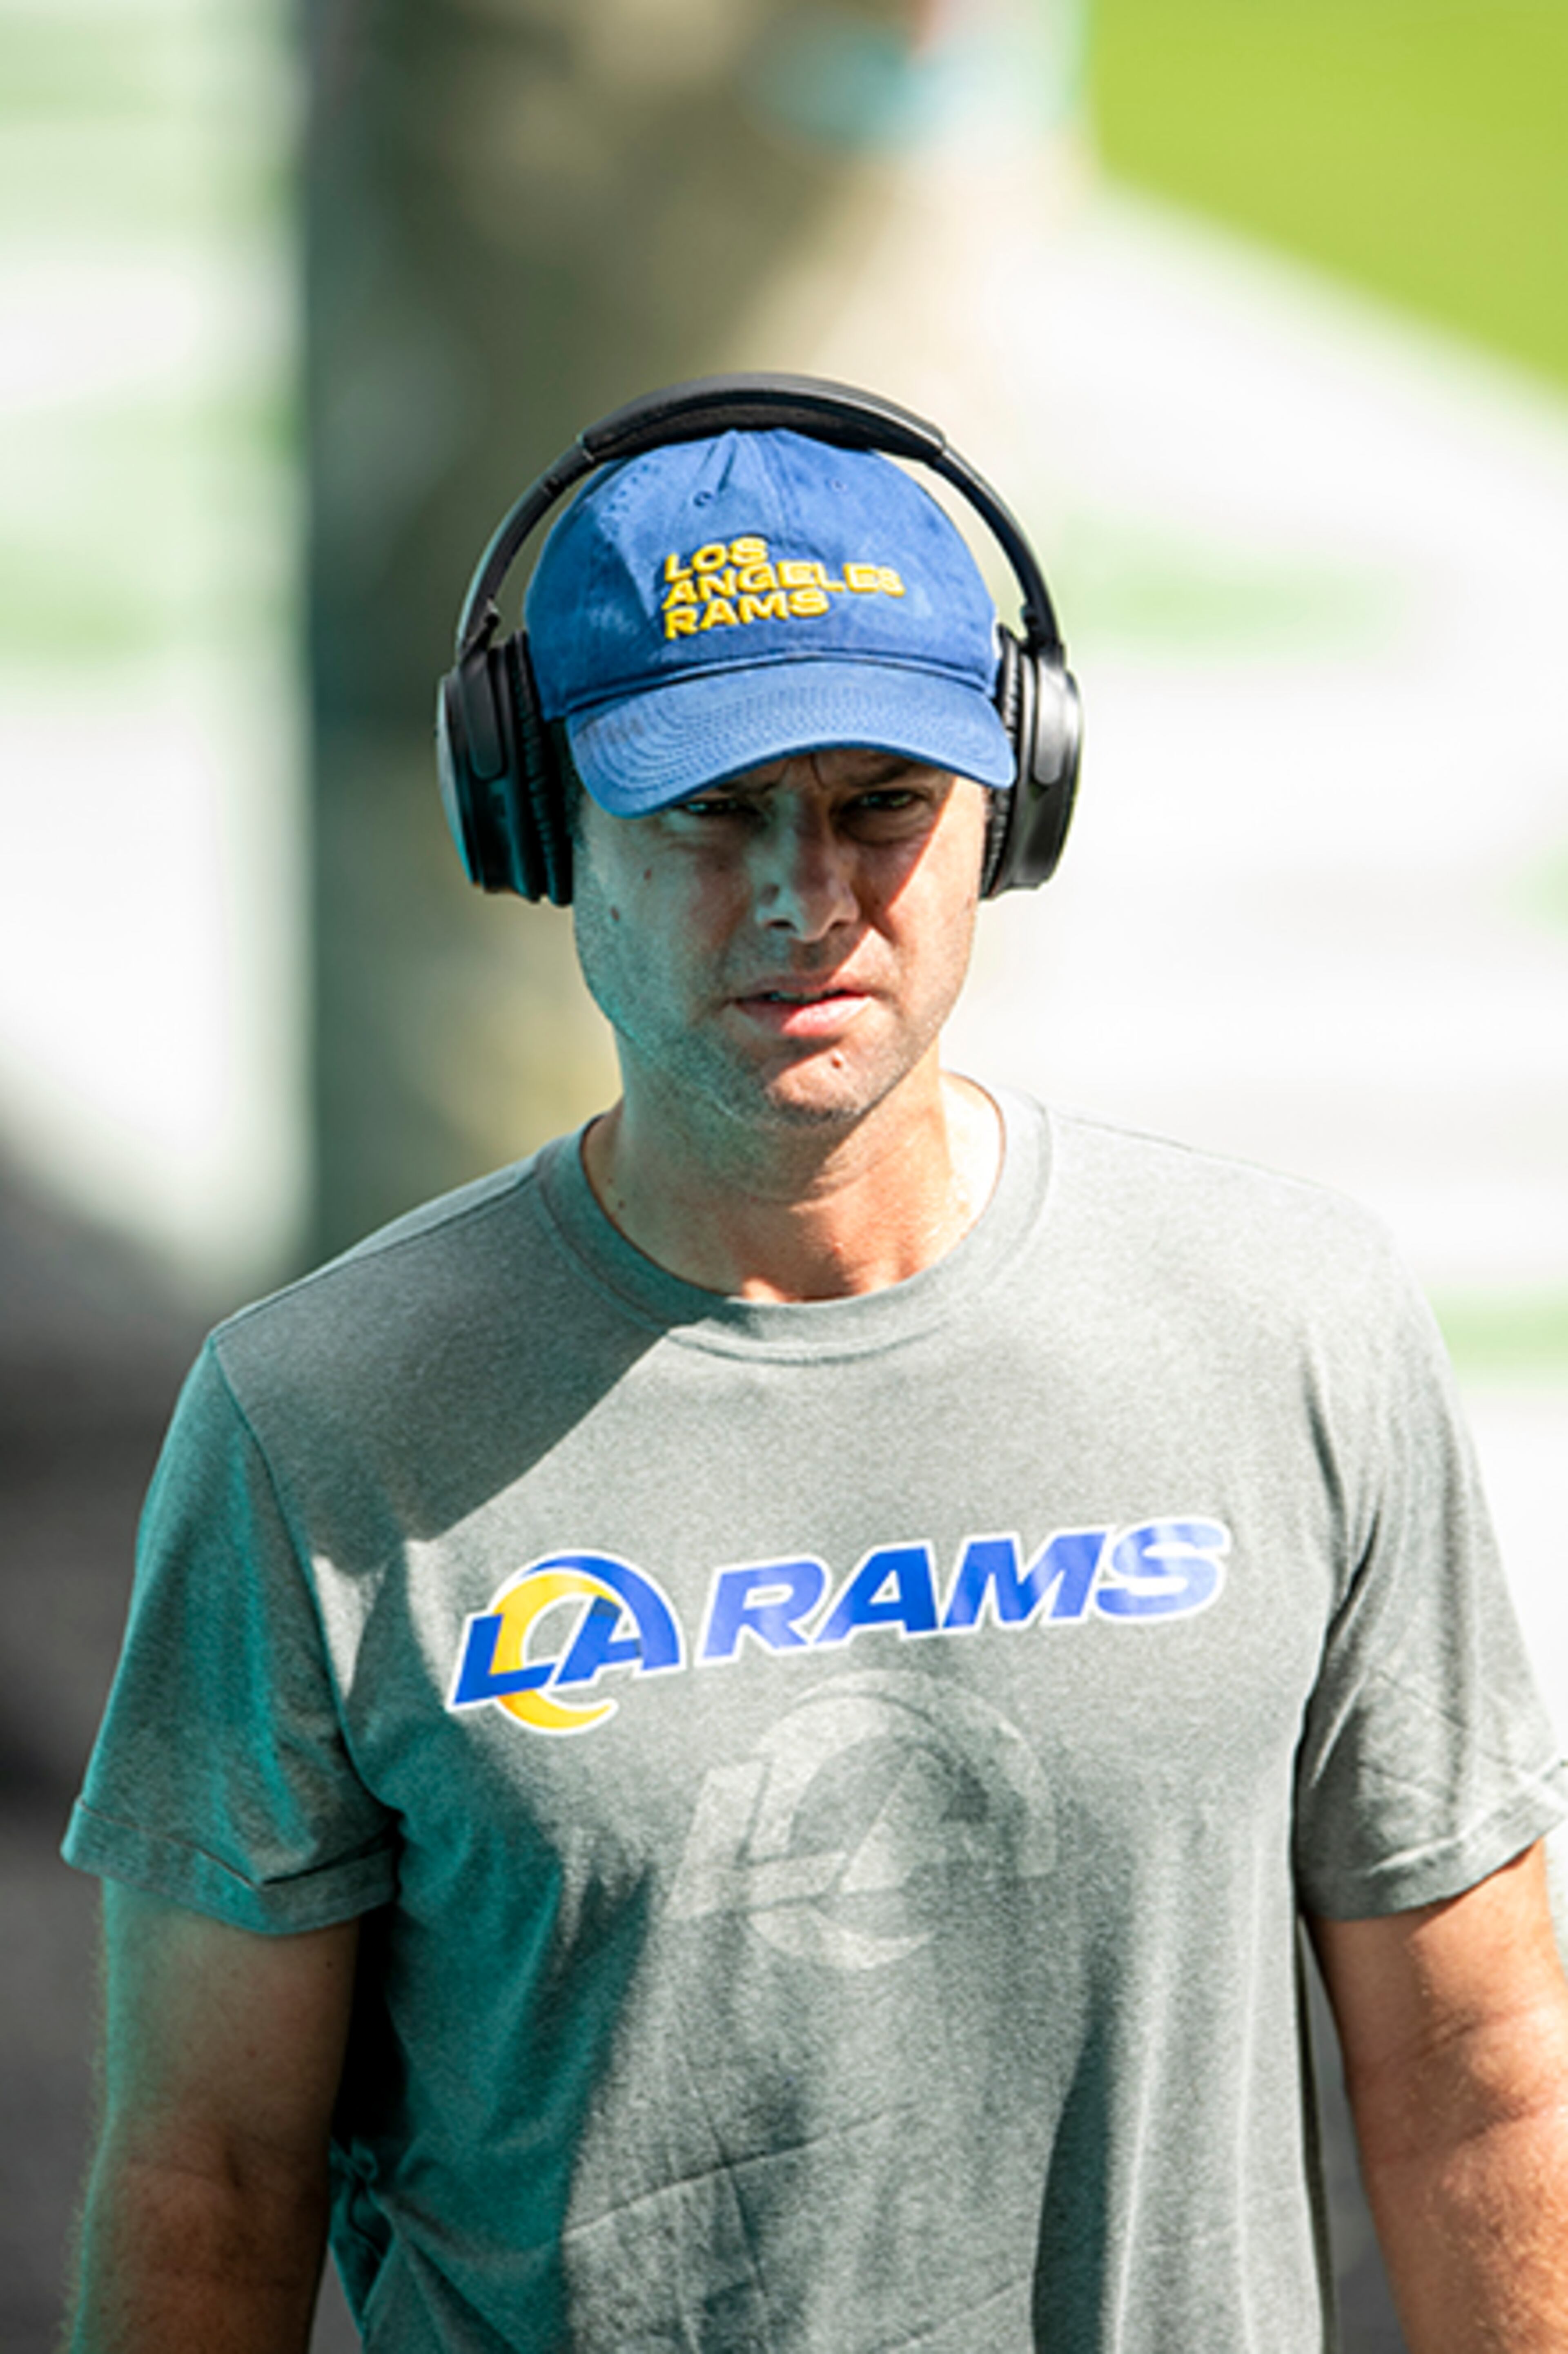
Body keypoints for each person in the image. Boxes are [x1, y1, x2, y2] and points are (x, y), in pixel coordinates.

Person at [64, 385, 1568, 2354]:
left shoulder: (1296, 1326)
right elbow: (211, 2175)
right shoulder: (320, 1421)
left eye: (881, 809)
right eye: (713, 809)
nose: (803, 897)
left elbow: (1482, 2074)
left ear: (1011, 813)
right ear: (536, 822)